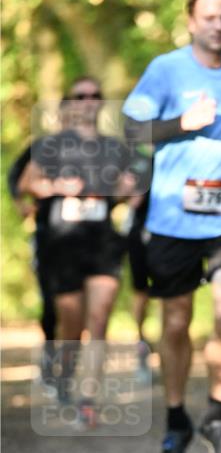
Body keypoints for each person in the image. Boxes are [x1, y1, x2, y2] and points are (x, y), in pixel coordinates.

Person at [123, 0, 221, 453]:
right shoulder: (165, 69)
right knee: (177, 322)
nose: (218, 25)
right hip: (171, 215)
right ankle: (177, 420)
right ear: (191, 22)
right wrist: (182, 122)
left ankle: (217, 417)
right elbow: (132, 129)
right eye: (209, 17)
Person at [19, 77, 140, 428]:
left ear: (101, 103)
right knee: (71, 324)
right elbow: (29, 183)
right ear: (70, 104)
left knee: (99, 318)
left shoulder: (114, 148)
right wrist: (57, 187)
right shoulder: (52, 145)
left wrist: (125, 191)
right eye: (80, 96)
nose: (88, 101)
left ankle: (88, 402)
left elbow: (123, 194)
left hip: (102, 239)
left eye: (95, 95)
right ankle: (65, 371)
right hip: (63, 241)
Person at [7, 142, 57, 386]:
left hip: (91, 243)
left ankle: (70, 372)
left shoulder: (100, 147)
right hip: (48, 236)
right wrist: (20, 202)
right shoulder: (44, 145)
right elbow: (16, 175)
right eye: (79, 100)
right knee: (51, 304)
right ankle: (50, 359)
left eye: (92, 100)